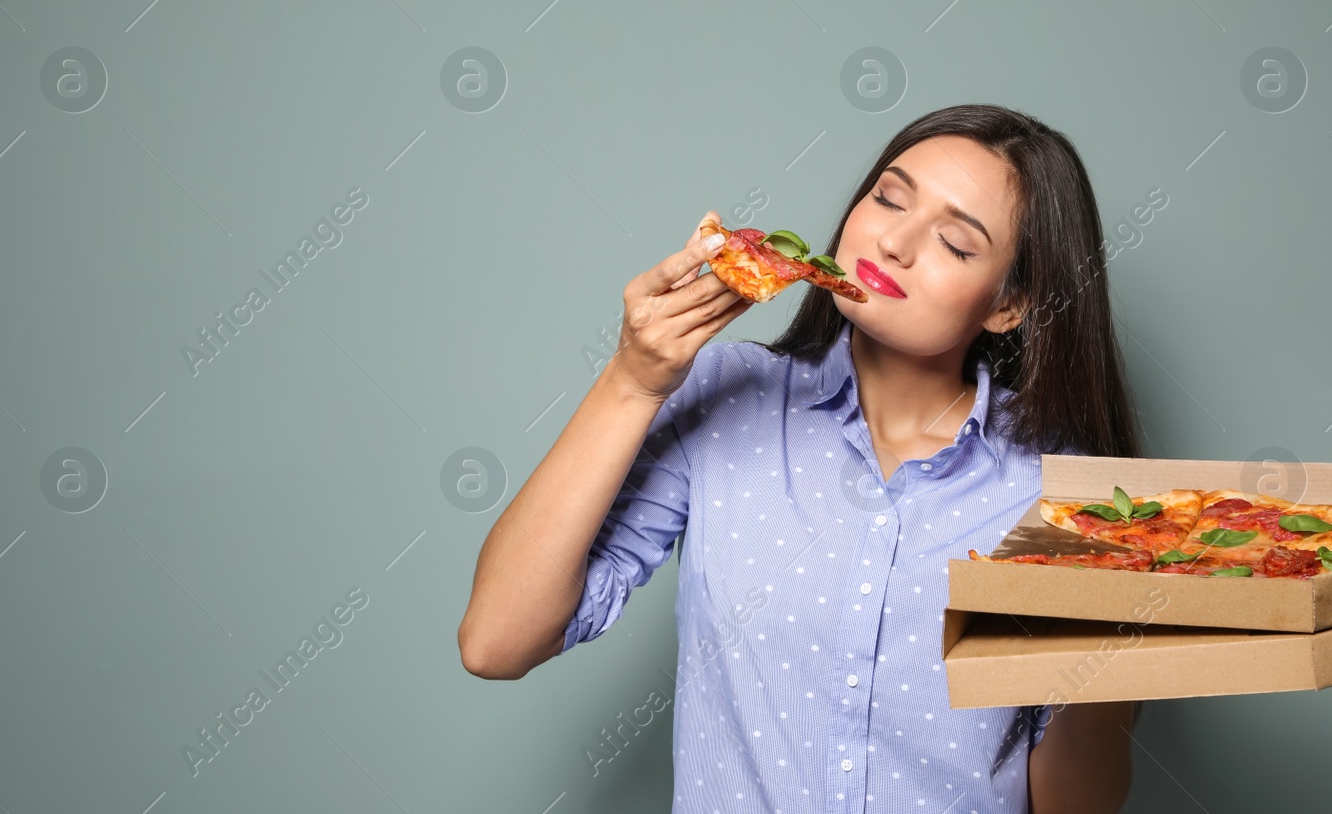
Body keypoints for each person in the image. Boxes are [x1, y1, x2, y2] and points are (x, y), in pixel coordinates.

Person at [460, 104, 1141, 813]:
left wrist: (1104, 648)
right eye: (888, 197)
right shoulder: (728, 396)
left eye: (955, 242)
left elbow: (1079, 803)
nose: (894, 242)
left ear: (1010, 305)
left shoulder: (1073, 501)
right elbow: (495, 641)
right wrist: (629, 382)